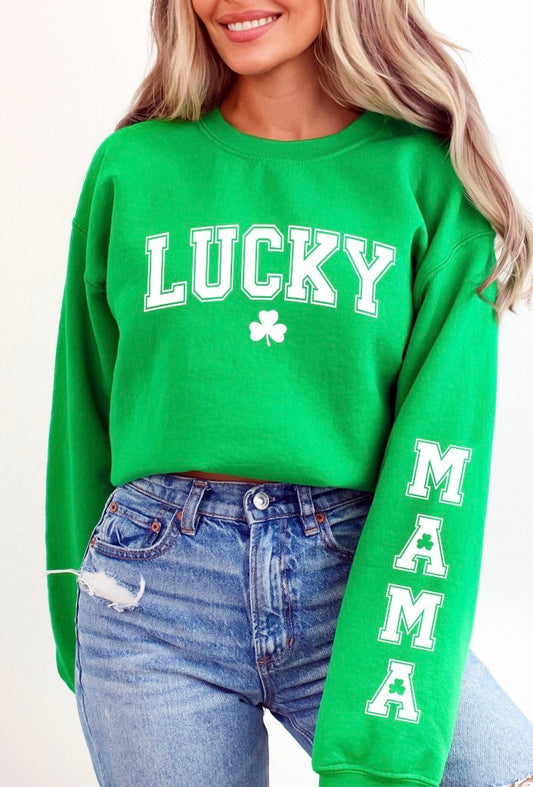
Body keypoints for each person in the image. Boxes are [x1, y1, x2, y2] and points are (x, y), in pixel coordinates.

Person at [45, 1, 533, 785]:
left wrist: (388, 718)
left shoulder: (426, 180)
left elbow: (443, 447)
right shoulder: (132, 167)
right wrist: (75, 614)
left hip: (358, 577)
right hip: (150, 593)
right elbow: (86, 405)